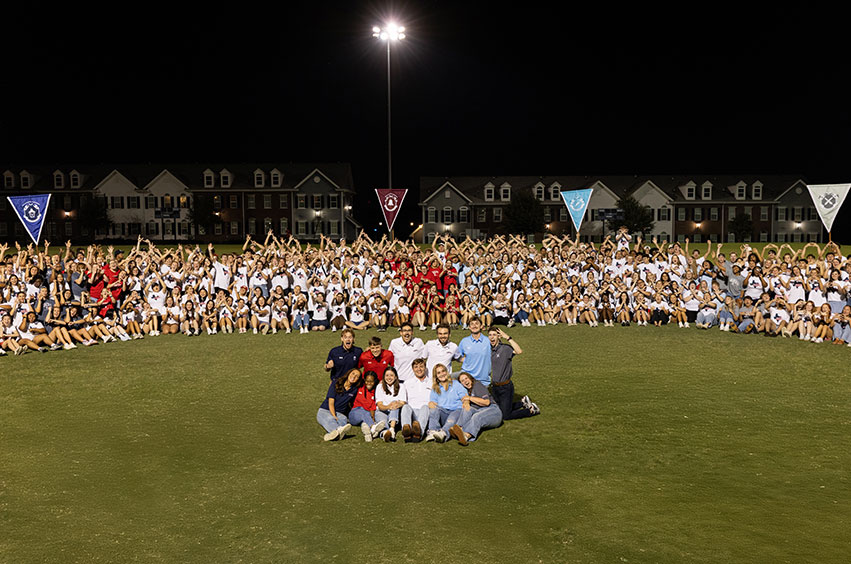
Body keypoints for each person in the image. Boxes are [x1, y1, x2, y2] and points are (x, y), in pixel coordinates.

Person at [488, 326, 540, 419]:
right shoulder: (489, 350)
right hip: (495, 387)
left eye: (494, 335)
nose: (492, 337)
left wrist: (507, 337)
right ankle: (522, 403)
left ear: (499, 337)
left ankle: (531, 410)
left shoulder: (505, 349)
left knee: (505, 415)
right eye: (490, 335)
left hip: (505, 387)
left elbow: (519, 351)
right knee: (498, 410)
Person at [444, 371, 504, 445]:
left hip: (493, 411)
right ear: (461, 384)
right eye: (462, 381)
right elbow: (466, 403)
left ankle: (466, 435)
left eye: (466, 378)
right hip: (480, 410)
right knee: (467, 409)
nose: (465, 381)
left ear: (471, 379)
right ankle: (458, 428)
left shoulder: (477, 385)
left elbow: (486, 402)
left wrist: (469, 398)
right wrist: (466, 402)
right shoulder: (466, 390)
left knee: (477, 417)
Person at [316, 368, 361, 441]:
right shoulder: (336, 383)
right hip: (325, 410)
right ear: (348, 373)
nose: (354, 376)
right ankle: (338, 429)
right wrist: (334, 415)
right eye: (353, 374)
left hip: (339, 413)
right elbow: (331, 402)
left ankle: (333, 435)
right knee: (330, 419)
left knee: (343, 419)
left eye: (357, 376)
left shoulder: (354, 390)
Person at [425, 364, 466, 442]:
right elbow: (433, 402)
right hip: (443, 412)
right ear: (436, 376)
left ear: (447, 372)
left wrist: (466, 402)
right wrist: (431, 404)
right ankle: (433, 431)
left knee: (452, 418)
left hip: (456, 411)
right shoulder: (435, 388)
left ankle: (443, 433)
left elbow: (464, 397)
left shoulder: (456, 384)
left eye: (443, 371)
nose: (442, 374)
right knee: (433, 409)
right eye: (439, 373)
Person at [348, 370, 386, 442]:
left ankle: (368, 434)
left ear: (375, 381)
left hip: (366, 416)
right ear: (364, 380)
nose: (369, 383)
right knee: (363, 411)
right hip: (354, 414)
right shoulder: (359, 387)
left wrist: (373, 418)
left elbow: (373, 408)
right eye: (367, 381)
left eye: (371, 381)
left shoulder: (376, 392)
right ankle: (373, 427)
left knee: (364, 422)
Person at [401, 358, 432, 442]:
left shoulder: (431, 382)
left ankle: (419, 434)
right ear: (413, 369)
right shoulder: (407, 382)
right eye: (416, 367)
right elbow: (403, 399)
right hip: (412, 411)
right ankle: (407, 433)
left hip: (425, 412)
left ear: (425, 368)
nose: (419, 369)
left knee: (425, 407)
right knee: (405, 407)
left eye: (421, 366)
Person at [455, 316, 492, 386]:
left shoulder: (488, 341)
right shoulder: (464, 341)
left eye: (476, 323)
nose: (474, 326)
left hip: (483, 380)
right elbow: (458, 357)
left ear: (481, 326)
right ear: (469, 327)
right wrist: (468, 360)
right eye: (472, 324)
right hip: (467, 378)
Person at [375, 367, 406, 442]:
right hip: (382, 411)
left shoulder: (401, 386)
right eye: (387, 375)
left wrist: (395, 405)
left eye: (391, 375)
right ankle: (385, 433)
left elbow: (402, 402)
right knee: (382, 423)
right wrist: (388, 406)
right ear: (384, 377)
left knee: (395, 403)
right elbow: (379, 405)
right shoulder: (379, 386)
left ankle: (392, 429)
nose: (389, 378)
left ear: (395, 377)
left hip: (395, 413)